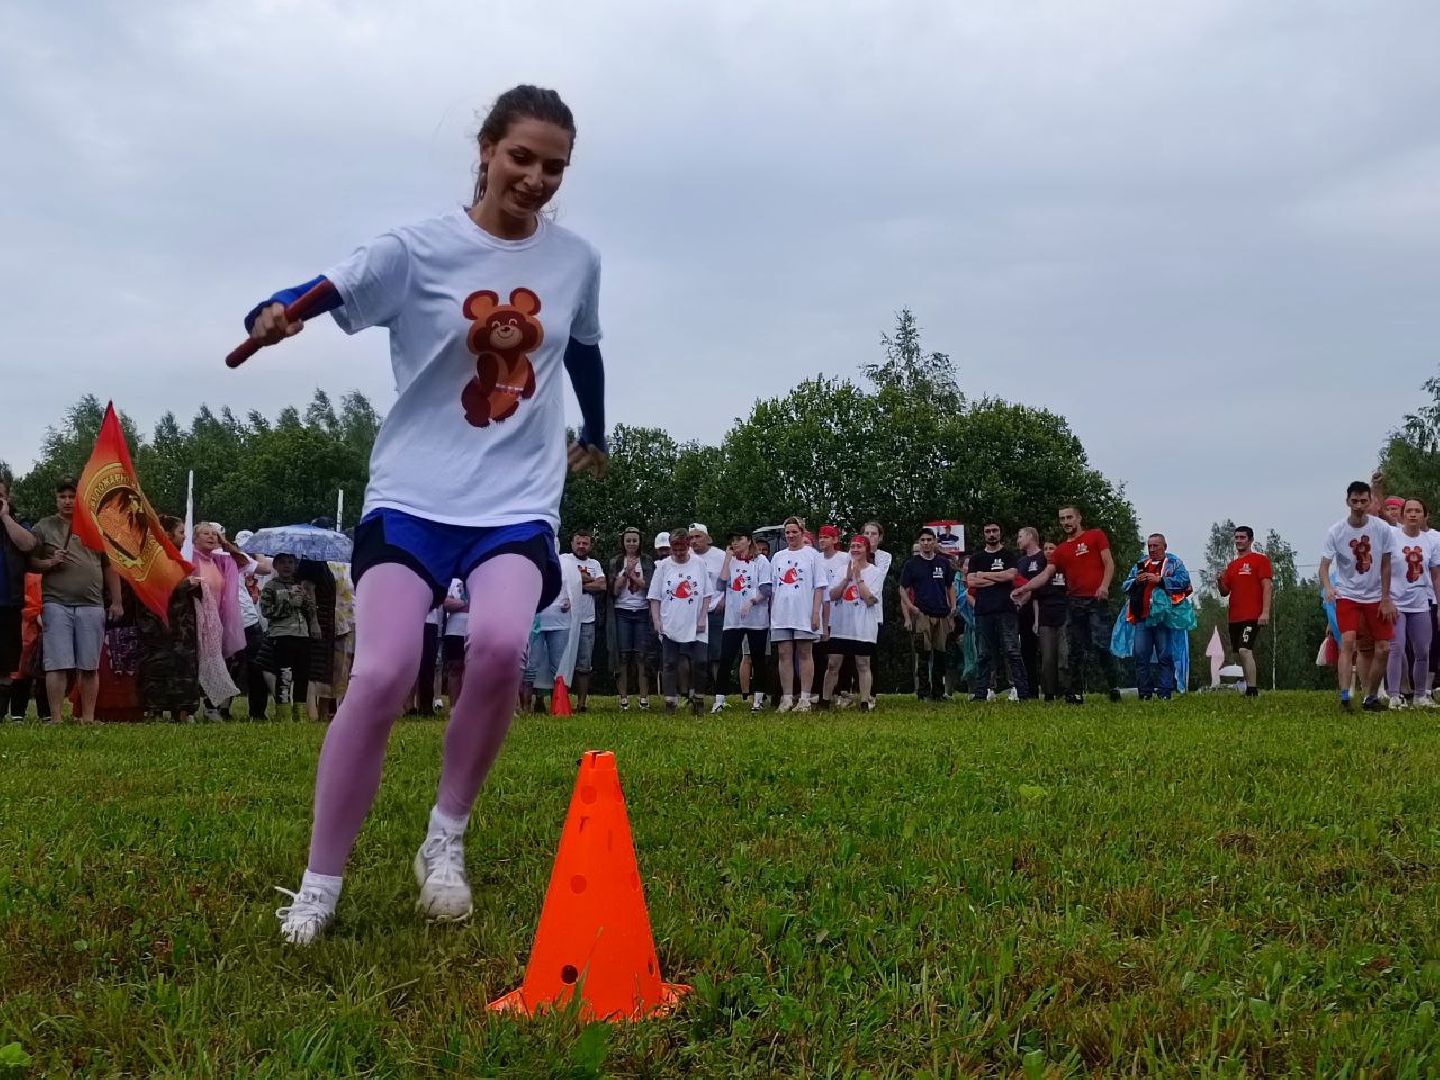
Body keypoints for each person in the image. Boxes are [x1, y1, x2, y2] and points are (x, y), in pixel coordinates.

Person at [243, 86, 608, 943]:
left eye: (555, 166)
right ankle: (320, 886)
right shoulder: (417, 248)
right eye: (522, 157)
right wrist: (273, 315)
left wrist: (596, 428)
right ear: (485, 150)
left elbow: (585, 344)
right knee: (379, 674)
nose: (536, 178)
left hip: (515, 503)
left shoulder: (577, 260)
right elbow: (329, 288)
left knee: (497, 646)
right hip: (411, 497)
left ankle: (444, 840)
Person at [28, 479, 123, 724]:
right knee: (57, 664)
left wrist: (117, 601)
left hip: (92, 603)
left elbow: (110, 565)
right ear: (56, 499)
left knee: (89, 665)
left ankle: (88, 718)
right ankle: (56, 718)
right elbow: (29, 561)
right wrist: (49, 562)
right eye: (63, 496)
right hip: (56, 602)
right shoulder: (43, 527)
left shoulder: (95, 525)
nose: (68, 501)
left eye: (72, 496)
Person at [1012, 506, 1119, 705]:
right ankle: (1075, 692)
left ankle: (1113, 686)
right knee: (1075, 649)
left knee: (1101, 645)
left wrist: (1104, 586)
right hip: (1074, 602)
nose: (1066, 522)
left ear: (1079, 518)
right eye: (1062, 519)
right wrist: (1024, 588)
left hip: (1096, 599)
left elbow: (1109, 563)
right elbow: (1045, 575)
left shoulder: (1095, 535)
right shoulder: (1061, 550)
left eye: (1069, 517)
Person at [1319, 480, 1397, 712]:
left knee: (1383, 648)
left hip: (1374, 596)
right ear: (1348, 502)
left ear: (1370, 501)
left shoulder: (1381, 529)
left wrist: (1385, 598)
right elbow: (1324, 566)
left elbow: (1385, 565)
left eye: (1364, 501)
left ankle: (1370, 696)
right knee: (1349, 641)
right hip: (1348, 594)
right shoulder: (1337, 531)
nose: (1359, 505)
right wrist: (1328, 588)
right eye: (1355, 501)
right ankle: (1345, 696)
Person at [135, 515, 201, 723]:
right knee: (157, 666)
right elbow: (154, 586)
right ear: (167, 534)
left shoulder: (180, 558)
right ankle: (153, 710)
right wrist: (184, 585)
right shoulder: (151, 559)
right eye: (181, 532)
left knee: (183, 666)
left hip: (182, 627)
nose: (184, 537)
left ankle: (181, 710)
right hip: (158, 625)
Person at [648, 524, 712, 714]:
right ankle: (670, 702)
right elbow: (654, 597)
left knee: (700, 661)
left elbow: (707, 594)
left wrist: (702, 618)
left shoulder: (698, 563)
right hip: (671, 620)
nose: (678, 552)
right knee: (669, 662)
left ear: (687, 544)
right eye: (674, 549)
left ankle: (698, 698)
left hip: (695, 621)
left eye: (681, 548)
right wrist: (657, 621)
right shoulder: (663, 566)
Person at [1121, 534, 1193, 700]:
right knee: (1140, 654)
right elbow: (1125, 585)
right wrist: (1136, 581)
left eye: (1156, 546)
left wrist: (1160, 580)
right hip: (1142, 618)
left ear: (1164, 546)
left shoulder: (1175, 563)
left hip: (1163, 618)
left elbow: (1185, 582)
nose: (1152, 549)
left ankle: (1164, 692)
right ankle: (1145, 693)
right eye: (1150, 546)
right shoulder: (1141, 564)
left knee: (1165, 656)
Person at [768, 516, 827, 713]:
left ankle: (804, 698)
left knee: (804, 653)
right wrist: (773, 612)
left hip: (804, 612)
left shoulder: (813, 555)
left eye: (794, 532)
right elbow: (774, 587)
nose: (791, 535)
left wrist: (816, 613)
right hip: (782, 613)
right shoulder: (778, 557)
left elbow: (820, 586)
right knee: (784, 654)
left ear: (802, 532)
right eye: (788, 533)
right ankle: (786, 698)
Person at [1386, 498, 1440, 709]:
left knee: (1423, 651)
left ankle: (1419, 696)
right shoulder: (1392, 537)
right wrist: (1385, 598)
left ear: (1424, 515)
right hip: (1396, 602)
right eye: (1409, 510)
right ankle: (1394, 695)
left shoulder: (1430, 542)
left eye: (1418, 511)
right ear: (1402, 514)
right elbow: (1384, 568)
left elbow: (1436, 576)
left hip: (1420, 603)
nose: (1413, 514)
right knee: (1396, 648)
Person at [967, 522, 1030, 702]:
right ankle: (981, 692)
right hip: (983, 611)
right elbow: (971, 582)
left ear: (1000, 533)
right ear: (984, 534)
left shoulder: (1009, 555)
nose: (991, 534)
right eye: (988, 531)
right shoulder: (976, 558)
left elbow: (1011, 576)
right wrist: (997, 578)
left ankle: (1022, 691)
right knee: (984, 653)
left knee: (1012, 650)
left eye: (995, 531)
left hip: (1006, 610)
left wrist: (983, 575)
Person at [821, 535, 884, 711]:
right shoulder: (842, 570)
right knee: (833, 663)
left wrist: (858, 578)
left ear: (866, 550)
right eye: (852, 546)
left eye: (859, 546)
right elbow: (832, 596)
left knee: (863, 663)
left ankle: (865, 701)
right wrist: (847, 578)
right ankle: (825, 700)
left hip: (863, 626)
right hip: (841, 625)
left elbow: (871, 599)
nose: (855, 549)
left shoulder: (875, 572)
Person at [713, 530, 772, 713]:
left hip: (756, 618)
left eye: (739, 539)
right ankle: (720, 699)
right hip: (733, 619)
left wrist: (753, 601)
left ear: (748, 541)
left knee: (758, 658)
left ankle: (758, 698)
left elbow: (767, 588)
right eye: (733, 540)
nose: (736, 543)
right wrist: (727, 560)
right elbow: (721, 585)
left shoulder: (761, 561)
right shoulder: (730, 561)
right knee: (726, 658)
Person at [191, 523, 245, 717]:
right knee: (196, 662)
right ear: (194, 537)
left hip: (216, 622)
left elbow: (243, 561)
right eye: (206, 533)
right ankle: (191, 708)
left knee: (215, 663)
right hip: (195, 620)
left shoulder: (220, 561)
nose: (211, 537)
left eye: (215, 534)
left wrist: (225, 543)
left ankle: (211, 706)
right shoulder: (189, 559)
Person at [261, 553, 320, 721]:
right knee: (284, 674)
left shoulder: (299, 585)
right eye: (282, 563)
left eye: (291, 562)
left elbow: (310, 610)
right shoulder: (271, 586)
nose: (287, 566)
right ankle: (283, 713)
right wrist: (289, 603)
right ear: (276, 566)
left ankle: (300, 713)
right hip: (282, 635)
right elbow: (267, 611)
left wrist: (305, 598)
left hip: (302, 635)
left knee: (302, 675)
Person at [899, 527, 956, 702]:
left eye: (929, 540)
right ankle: (923, 692)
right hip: (922, 613)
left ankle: (938, 693)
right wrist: (910, 607)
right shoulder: (912, 564)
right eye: (922, 540)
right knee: (923, 653)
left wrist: (953, 605)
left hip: (942, 613)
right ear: (919, 542)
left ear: (935, 542)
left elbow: (949, 586)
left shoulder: (943, 563)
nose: (926, 543)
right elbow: (902, 588)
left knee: (940, 653)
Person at [1217, 526, 1272, 697]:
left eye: (1242, 537)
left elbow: (1267, 586)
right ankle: (1249, 687)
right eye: (1237, 537)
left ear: (1250, 540)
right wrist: (1219, 580)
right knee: (1241, 652)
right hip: (1235, 616)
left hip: (1252, 615)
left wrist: (1265, 612)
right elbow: (1224, 592)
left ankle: (1253, 690)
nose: (1239, 541)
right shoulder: (1232, 565)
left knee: (1244, 649)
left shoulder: (1260, 560)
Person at [0, 476, 40, 713]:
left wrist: (4, 517)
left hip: (8, 603)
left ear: (8, 498)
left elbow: (28, 545)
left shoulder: (17, 523)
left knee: (5, 663)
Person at [609, 527, 653, 712]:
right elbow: (613, 590)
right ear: (623, 542)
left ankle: (644, 698)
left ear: (640, 542)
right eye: (628, 540)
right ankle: (623, 699)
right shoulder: (616, 561)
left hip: (642, 611)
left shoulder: (647, 560)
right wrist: (626, 573)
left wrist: (636, 577)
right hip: (622, 612)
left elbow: (651, 587)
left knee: (642, 656)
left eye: (635, 540)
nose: (632, 544)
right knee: (623, 656)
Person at [522, 562, 573, 714]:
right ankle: (525, 706)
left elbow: (573, 591)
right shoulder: (530, 564)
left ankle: (558, 706)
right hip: (535, 623)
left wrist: (570, 601)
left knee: (558, 667)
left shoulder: (565, 565)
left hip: (560, 623)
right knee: (530, 666)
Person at [566, 530, 606, 712]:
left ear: (590, 545)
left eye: (585, 543)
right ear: (572, 544)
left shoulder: (594, 564)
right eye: (578, 543)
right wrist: (589, 582)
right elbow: (560, 582)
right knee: (563, 662)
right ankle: (561, 701)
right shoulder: (564, 560)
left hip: (587, 620)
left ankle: (582, 703)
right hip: (565, 619)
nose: (582, 546)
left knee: (584, 664)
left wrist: (578, 581)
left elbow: (602, 585)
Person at [1013, 528, 1046, 697]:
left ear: (1030, 536)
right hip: (1024, 613)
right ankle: (1031, 690)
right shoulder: (1021, 562)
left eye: (1020, 536)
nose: (1018, 540)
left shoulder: (1044, 558)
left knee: (1047, 652)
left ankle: (1052, 689)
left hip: (1044, 610)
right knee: (1027, 651)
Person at [441, 577, 469, 707]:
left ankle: (470, 707)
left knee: (473, 670)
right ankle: (454, 707)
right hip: (454, 630)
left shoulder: (478, 578)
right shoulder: (450, 581)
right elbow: (445, 603)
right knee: (454, 668)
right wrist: (466, 603)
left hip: (476, 630)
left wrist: (458, 603)